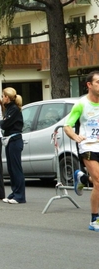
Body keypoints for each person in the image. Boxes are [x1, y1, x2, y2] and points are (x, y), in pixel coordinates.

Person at [64, 70, 99, 231]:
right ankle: (94, 220)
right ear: (89, 85)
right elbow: (67, 125)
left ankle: (83, 178)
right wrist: (75, 136)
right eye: (98, 82)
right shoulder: (81, 104)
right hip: (88, 145)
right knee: (98, 182)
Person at [0, 87, 26, 204]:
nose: (2, 98)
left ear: (7, 98)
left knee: (16, 168)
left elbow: (4, 124)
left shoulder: (14, 109)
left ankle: (20, 195)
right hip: (10, 140)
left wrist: (2, 121)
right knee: (11, 168)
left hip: (15, 140)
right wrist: (3, 121)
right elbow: (4, 122)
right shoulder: (9, 109)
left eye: (3, 96)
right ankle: (14, 192)